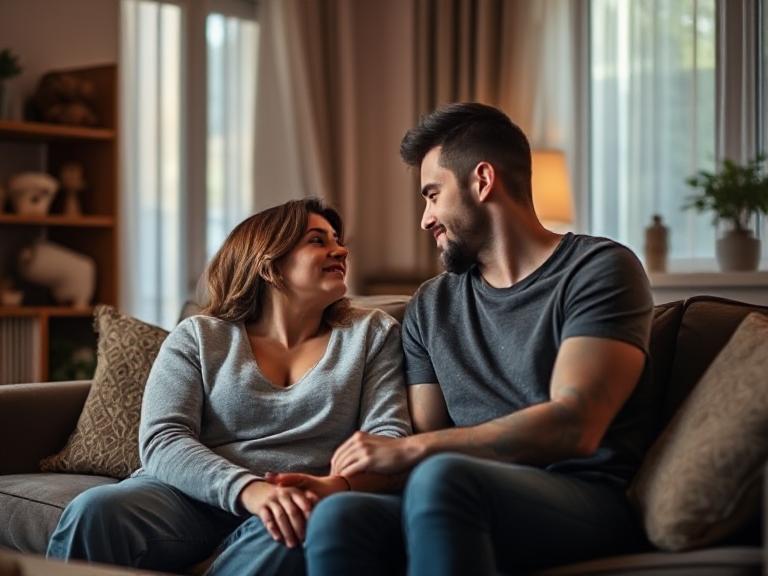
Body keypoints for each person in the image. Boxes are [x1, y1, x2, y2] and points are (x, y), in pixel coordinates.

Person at [298, 103, 655, 575]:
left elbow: (577, 425)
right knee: (342, 516)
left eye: (432, 194)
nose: (425, 219)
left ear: (482, 181)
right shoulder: (430, 306)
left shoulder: (598, 270)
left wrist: (410, 450)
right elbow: (429, 435)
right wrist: (339, 486)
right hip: (454, 493)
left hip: (582, 497)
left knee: (443, 476)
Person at [46, 198, 412, 575]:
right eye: (318, 241)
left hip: (294, 501)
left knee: (294, 531)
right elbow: (163, 438)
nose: (341, 249)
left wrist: (336, 486)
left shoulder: (372, 334)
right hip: (189, 497)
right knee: (95, 511)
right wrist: (248, 490)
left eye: (337, 239)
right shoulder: (201, 336)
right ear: (269, 265)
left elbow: (388, 437)